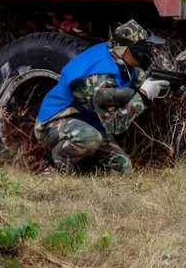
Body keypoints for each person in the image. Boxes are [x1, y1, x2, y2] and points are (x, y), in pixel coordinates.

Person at [34, 19, 170, 175]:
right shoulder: (100, 77)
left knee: (122, 169)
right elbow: (114, 125)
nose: (148, 53)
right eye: (144, 48)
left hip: (87, 121)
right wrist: (144, 95)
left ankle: (80, 169)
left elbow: (136, 78)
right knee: (91, 138)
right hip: (53, 123)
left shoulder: (119, 56)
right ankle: (54, 165)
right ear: (128, 50)